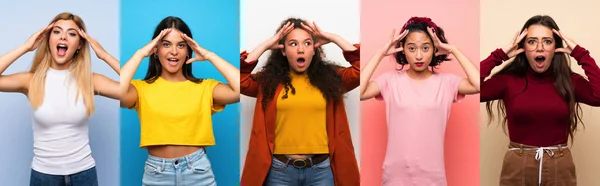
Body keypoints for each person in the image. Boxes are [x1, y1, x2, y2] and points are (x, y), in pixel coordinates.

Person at [0, 12, 119, 185]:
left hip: (84, 175)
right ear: (48, 40)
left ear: (79, 45)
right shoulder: (31, 81)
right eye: (57, 32)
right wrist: (26, 47)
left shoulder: (90, 81)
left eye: (72, 34)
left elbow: (133, 88)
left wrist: (104, 55)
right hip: (43, 176)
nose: (63, 37)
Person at [481, 15, 600, 186]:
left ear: (556, 47)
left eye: (547, 41)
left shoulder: (570, 81)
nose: (539, 48)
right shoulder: (508, 81)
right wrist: (499, 56)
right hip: (517, 165)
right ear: (523, 47)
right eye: (532, 41)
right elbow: (473, 88)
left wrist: (580, 54)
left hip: (560, 165)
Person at [119, 16, 240, 185]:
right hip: (157, 174)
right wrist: (140, 54)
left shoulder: (204, 87)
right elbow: (116, 92)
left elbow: (241, 89)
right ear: (155, 49)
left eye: (181, 45)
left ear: (188, 50)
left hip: (198, 172)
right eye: (166, 44)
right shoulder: (140, 89)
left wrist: (209, 55)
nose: (174, 52)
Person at [360, 17, 480, 185]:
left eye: (425, 48)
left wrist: (454, 50)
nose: (418, 55)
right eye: (411, 48)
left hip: (432, 177)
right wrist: (380, 53)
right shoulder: (389, 81)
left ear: (434, 49)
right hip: (395, 176)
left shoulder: (447, 83)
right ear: (403, 50)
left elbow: (478, 84)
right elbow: (360, 91)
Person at [240, 18, 360, 186]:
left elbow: (361, 69)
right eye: (293, 44)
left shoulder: (331, 79)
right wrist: (267, 44)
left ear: (314, 49)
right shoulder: (268, 81)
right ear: (283, 50)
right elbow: (239, 79)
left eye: (307, 43)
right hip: (279, 171)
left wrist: (333, 38)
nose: (301, 50)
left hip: (321, 171)